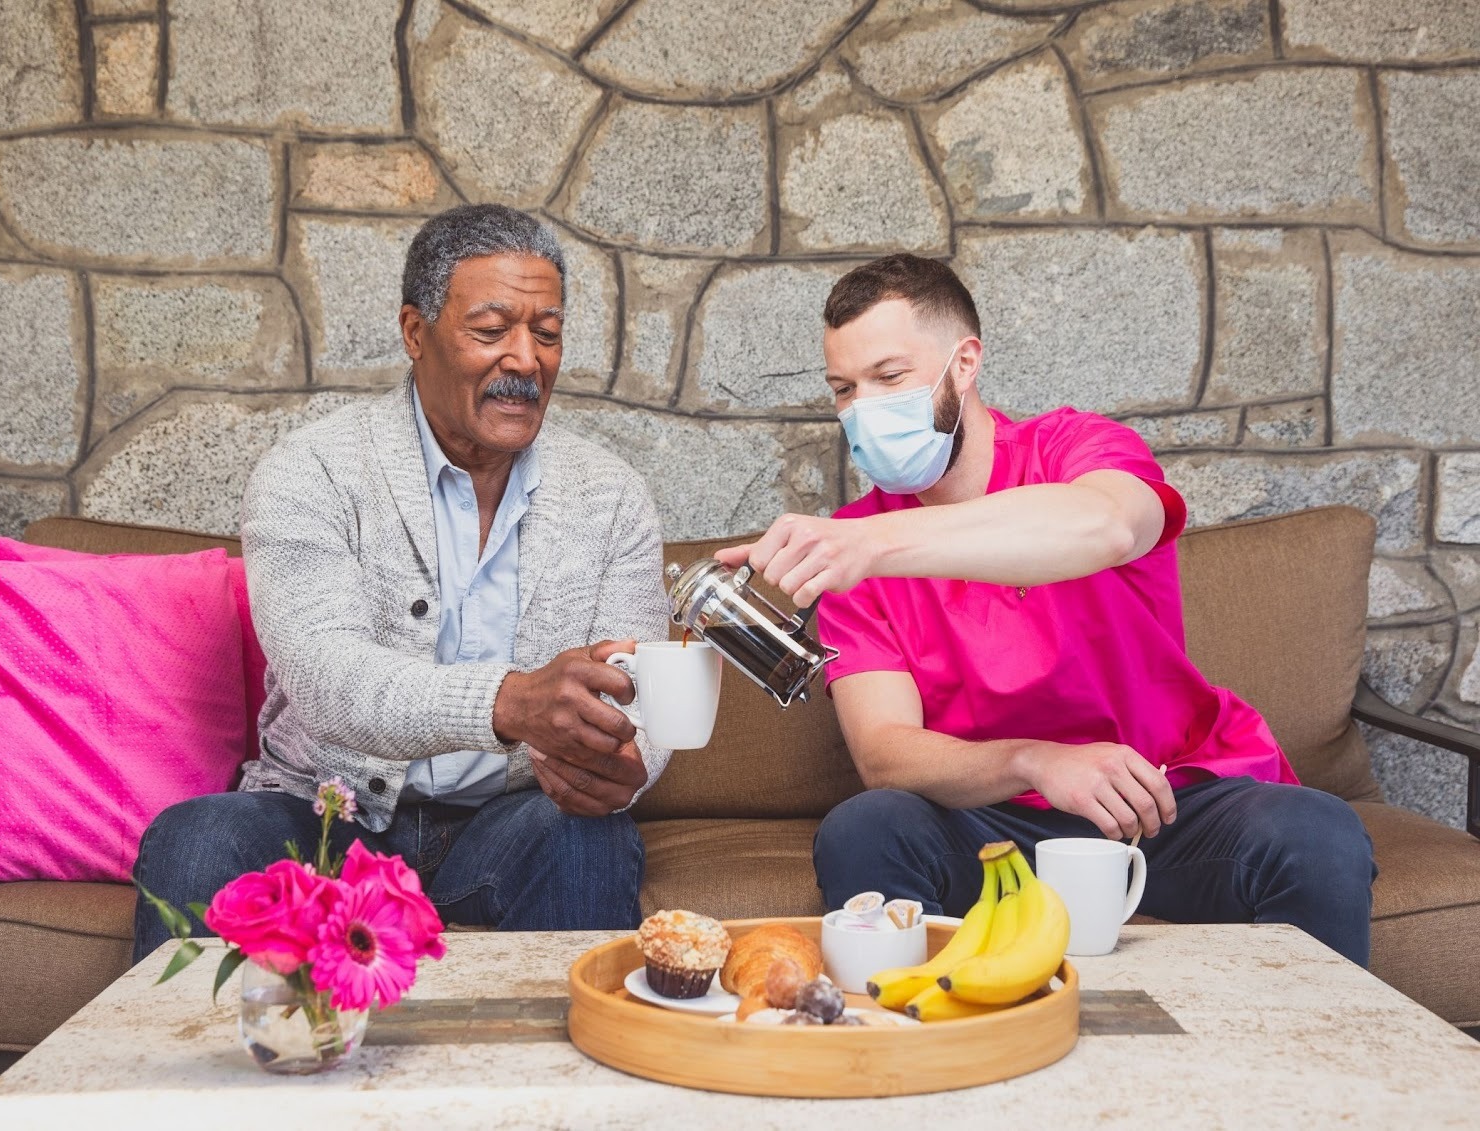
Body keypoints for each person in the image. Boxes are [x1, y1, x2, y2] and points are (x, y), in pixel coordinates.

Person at [720, 253, 1376, 964]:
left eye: (889, 377)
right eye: (844, 389)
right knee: (865, 827)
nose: (863, 410)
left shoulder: (1074, 449)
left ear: (964, 363)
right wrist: (1035, 761)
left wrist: (875, 543)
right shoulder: (851, 549)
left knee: (1316, 833)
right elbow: (885, 753)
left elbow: (1108, 525)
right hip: (990, 822)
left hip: (1159, 801)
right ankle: (913, 1031)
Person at [133, 205, 669, 960]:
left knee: (589, 836)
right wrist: (510, 701)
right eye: (492, 329)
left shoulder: (612, 495)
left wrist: (624, 768)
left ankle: (566, 1046)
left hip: (508, 817)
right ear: (416, 332)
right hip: (325, 812)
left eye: (547, 333)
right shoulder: (312, 470)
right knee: (195, 840)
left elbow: (641, 692)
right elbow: (329, 682)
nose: (525, 359)